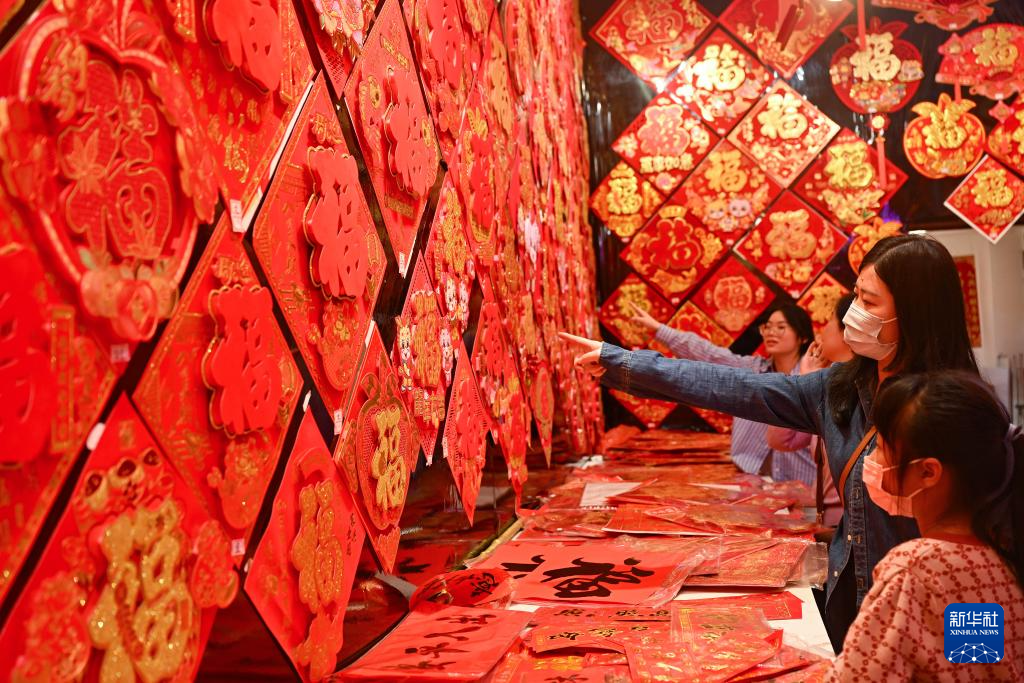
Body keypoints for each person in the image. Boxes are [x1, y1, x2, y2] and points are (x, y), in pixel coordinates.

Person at [561, 235, 979, 650]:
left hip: (927, 629)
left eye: (869, 303)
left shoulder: (961, 414)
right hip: (852, 611)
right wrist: (623, 363)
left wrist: (974, 655)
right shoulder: (843, 387)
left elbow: (981, 561)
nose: (852, 313)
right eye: (855, 296)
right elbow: (736, 386)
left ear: (917, 313)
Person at [828, 371, 1024, 681]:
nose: (873, 461)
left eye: (882, 449)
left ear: (929, 472)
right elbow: (972, 661)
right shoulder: (996, 559)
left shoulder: (914, 570)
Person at [631, 301, 817, 486]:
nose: (771, 333)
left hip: (803, 482)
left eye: (781, 327)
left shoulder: (814, 379)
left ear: (802, 337)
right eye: (767, 327)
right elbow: (708, 354)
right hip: (752, 480)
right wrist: (658, 329)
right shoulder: (751, 370)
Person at [766, 292, 856, 525]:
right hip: (822, 512)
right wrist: (804, 382)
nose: (821, 331)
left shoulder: (855, 390)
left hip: (846, 518)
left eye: (829, 321)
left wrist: (806, 382)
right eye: (767, 327)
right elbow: (781, 440)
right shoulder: (826, 381)